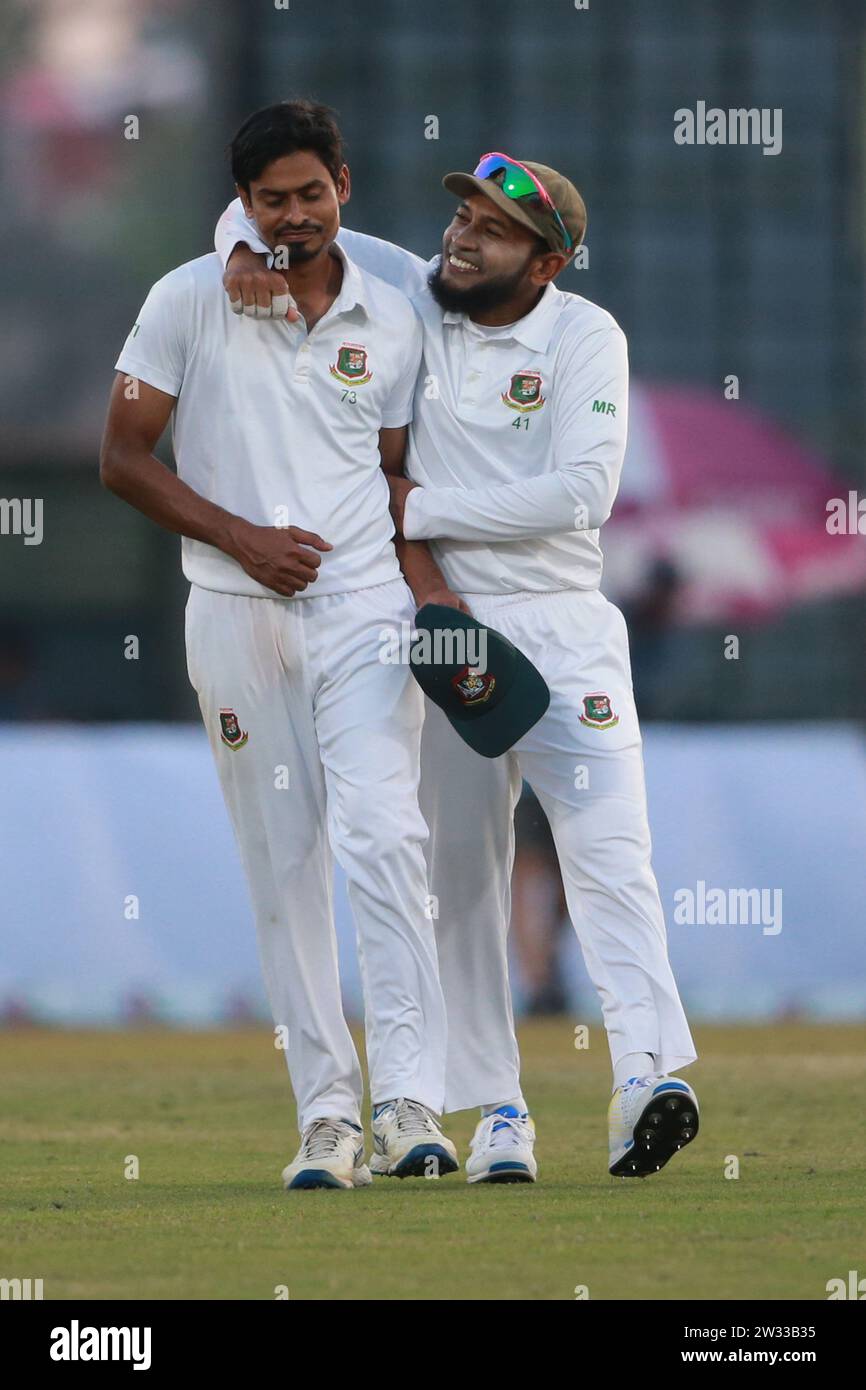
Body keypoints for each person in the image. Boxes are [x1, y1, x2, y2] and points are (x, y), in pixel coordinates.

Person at [217, 143, 701, 1184]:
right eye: (461, 216)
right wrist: (239, 253)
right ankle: (500, 1112)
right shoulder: (410, 303)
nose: (460, 235)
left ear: (544, 263)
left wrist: (418, 507)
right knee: (461, 881)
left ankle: (644, 1082)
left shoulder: (583, 335)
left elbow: (582, 493)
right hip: (441, 635)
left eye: (490, 228)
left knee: (613, 856)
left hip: (566, 628)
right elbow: (287, 221)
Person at [99, 100, 460, 1191]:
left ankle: (407, 1103)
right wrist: (240, 537)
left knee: (385, 832)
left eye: (311, 192)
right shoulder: (189, 297)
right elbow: (122, 454)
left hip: (361, 607)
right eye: (271, 201)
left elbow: (395, 475)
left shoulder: (390, 313)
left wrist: (430, 591)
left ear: (342, 183)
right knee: (284, 862)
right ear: (240, 204)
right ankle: (325, 1120)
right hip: (231, 606)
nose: (294, 216)